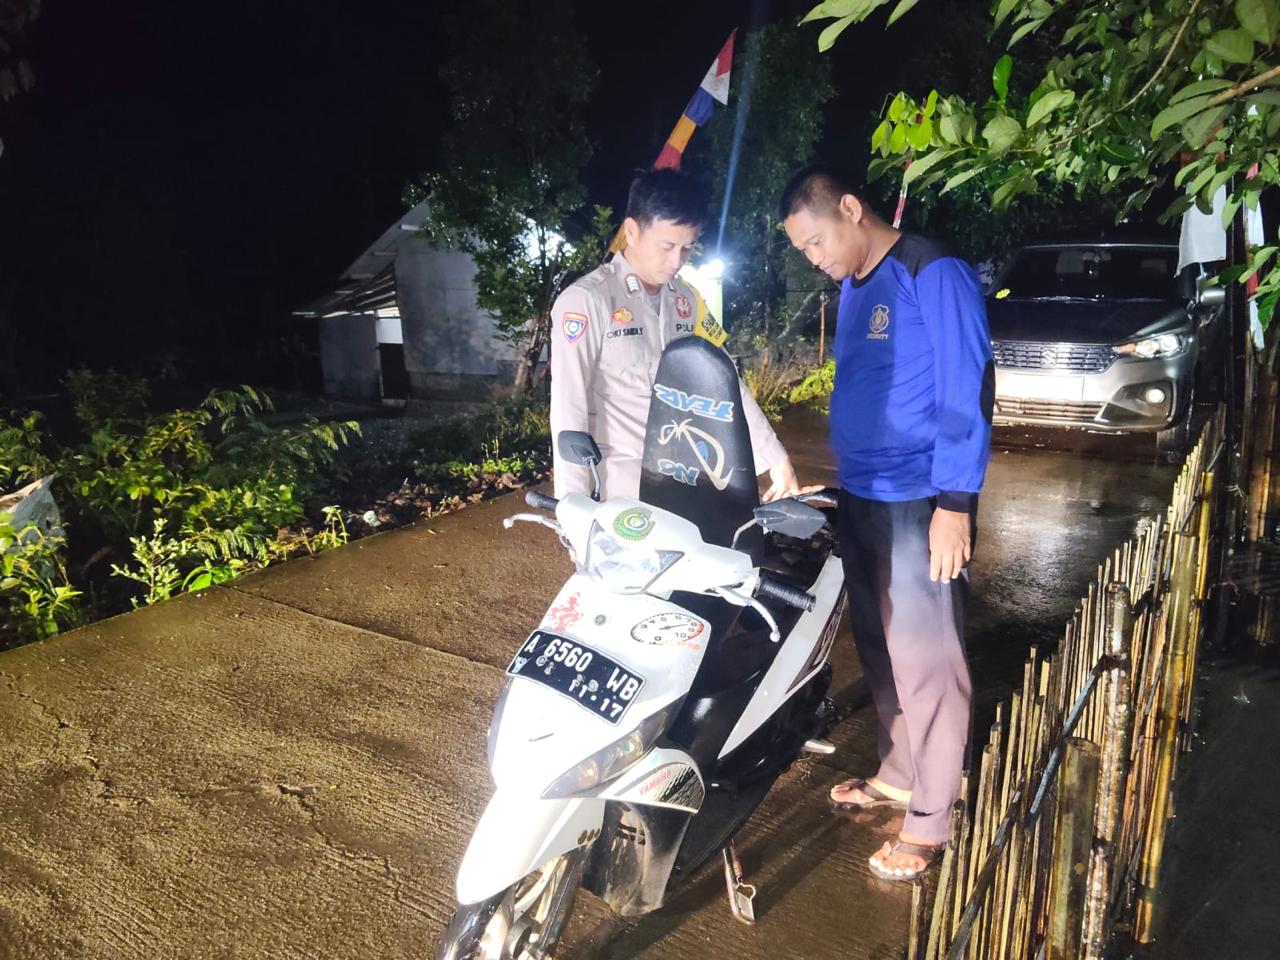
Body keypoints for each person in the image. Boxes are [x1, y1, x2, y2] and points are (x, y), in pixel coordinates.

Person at [779, 163, 994, 882]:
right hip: (864, 494)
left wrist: (955, 504)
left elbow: (968, 387)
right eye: (803, 251)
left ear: (850, 207)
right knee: (879, 647)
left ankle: (933, 819)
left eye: (815, 242)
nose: (814, 259)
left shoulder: (931, 270)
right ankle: (901, 775)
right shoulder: (851, 289)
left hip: (920, 498)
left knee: (927, 657)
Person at [550, 168, 802, 502]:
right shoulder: (587, 302)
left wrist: (774, 456)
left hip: (683, 481)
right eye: (667, 246)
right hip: (617, 491)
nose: (676, 261)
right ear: (631, 231)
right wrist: (572, 504)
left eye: (687, 248)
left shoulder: (687, 301)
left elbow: (725, 380)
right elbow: (568, 409)